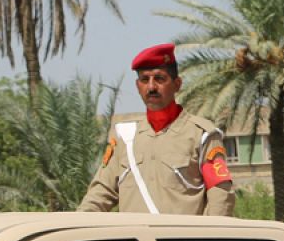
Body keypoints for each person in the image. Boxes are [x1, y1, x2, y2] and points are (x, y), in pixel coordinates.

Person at [79, 44, 234, 216]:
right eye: (145, 80)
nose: (151, 87)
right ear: (138, 86)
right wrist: (76, 229)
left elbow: (220, 194)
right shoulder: (125, 136)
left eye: (159, 79)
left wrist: (210, 240)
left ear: (177, 84)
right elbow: (101, 193)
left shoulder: (202, 135)